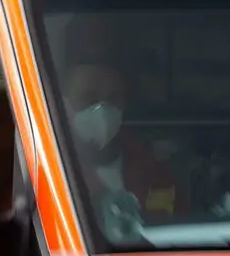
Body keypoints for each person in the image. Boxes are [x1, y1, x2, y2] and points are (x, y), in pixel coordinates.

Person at [59, 37, 186, 222]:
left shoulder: (155, 172)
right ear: (63, 105)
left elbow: (178, 231)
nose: (102, 110)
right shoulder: (53, 175)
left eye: (113, 99)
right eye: (88, 99)